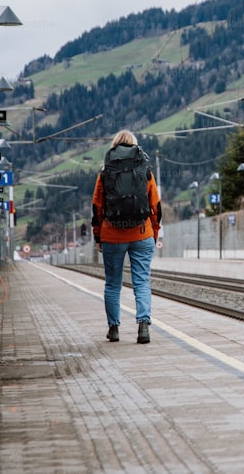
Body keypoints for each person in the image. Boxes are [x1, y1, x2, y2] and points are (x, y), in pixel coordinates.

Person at [92, 130, 162, 344]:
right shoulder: (145, 171)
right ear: (135, 147)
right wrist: (154, 233)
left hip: (112, 235)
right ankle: (143, 326)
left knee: (113, 284)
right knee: (141, 282)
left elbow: (97, 207)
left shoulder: (105, 173)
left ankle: (114, 329)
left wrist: (98, 237)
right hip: (142, 234)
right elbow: (155, 207)